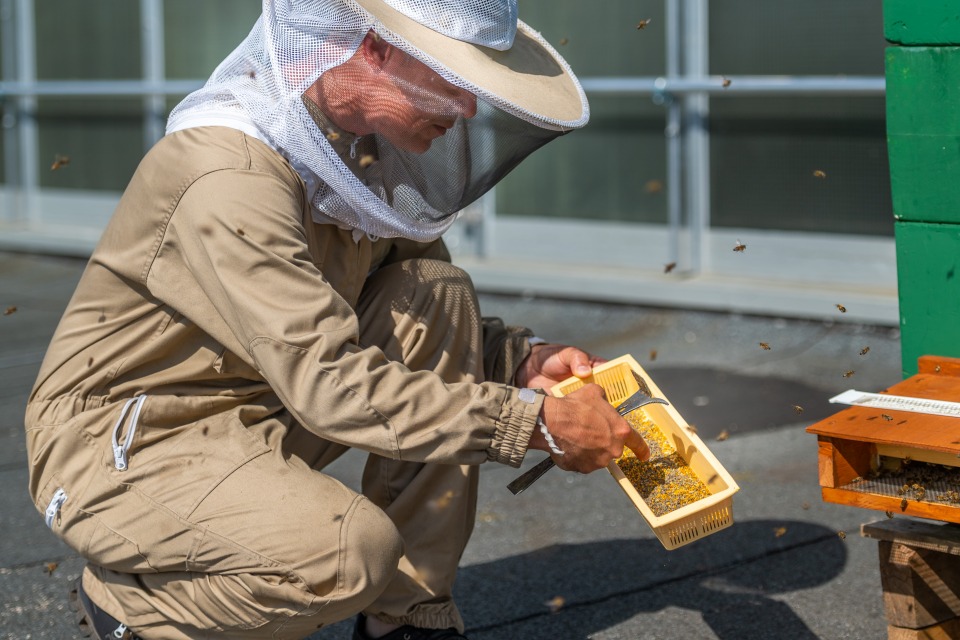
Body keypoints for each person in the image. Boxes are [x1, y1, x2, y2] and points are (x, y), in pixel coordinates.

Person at [25, 1, 649, 639]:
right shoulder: (226, 171)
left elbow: (411, 315)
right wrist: (533, 422)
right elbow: (329, 381)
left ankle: (408, 617)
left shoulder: (354, 152)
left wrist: (520, 358)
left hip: (264, 396)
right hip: (127, 439)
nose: (467, 108)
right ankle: (131, 603)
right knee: (343, 556)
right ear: (375, 50)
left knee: (433, 289)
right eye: (453, 76)